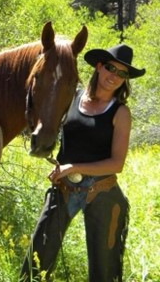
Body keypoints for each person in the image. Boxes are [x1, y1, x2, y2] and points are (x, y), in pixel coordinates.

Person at [20, 44, 145, 282]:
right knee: (36, 260)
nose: (114, 77)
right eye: (111, 68)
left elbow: (116, 164)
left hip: (103, 191)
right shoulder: (73, 97)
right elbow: (46, 113)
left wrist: (74, 167)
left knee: (103, 271)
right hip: (63, 188)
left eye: (122, 73)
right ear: (99, 66)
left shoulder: (120, 113)